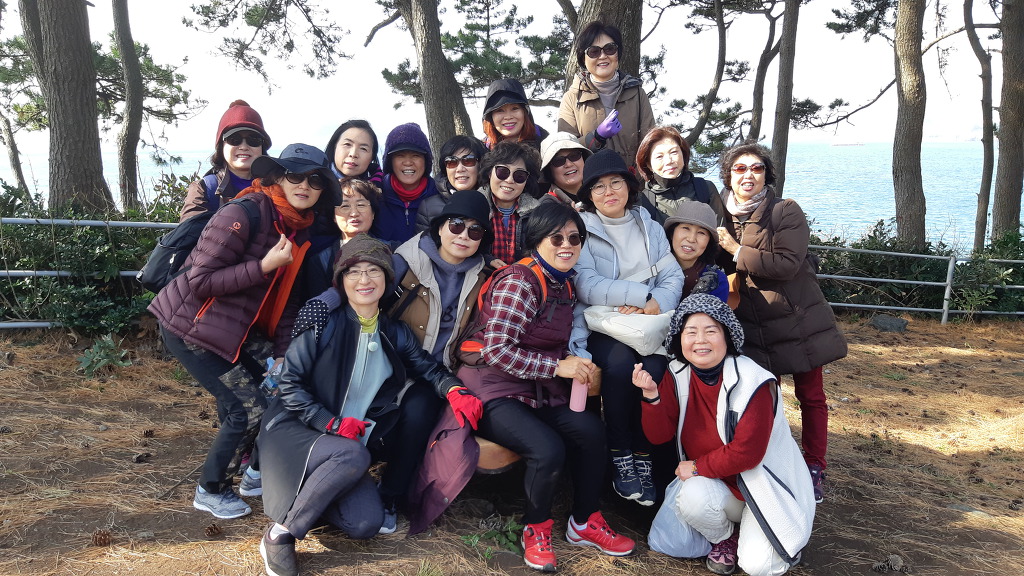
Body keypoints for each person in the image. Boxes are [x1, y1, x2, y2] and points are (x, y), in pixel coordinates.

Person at [409, 202, 636, 572]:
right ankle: (536, 528)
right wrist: (558, 366)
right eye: (556, 238)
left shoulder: (564, 282)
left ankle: (585, 521)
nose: (567, 245)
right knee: (546, 449)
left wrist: (574, 361)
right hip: (491, 387)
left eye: (574, 238)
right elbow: (497, 351)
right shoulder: (520, 281)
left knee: (591, 432)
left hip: (535, 387)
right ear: (536, 241)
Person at [256, 235, 480, 576]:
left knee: (365, 523)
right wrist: (330, 422)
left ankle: (313, 494)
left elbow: (427, 368)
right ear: (341, 280)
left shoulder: (394, 331)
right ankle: (280, 534)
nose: (364, 279)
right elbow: (289, 384)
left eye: (374, 271)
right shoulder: (322, 322)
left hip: (344, 444)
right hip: (299, 431)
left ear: (387, 279)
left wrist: (454, 390)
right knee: (354, 456)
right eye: (354, 272)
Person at [150, 143, 339, 520]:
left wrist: (282, 354)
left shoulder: (294, 228)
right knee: (246, 408)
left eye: (315, 180)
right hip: (191, 326)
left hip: (235, 328)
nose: (304, 185)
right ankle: (211, 489)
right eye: (295, 175)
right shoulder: (242, 212)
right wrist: (264, 265)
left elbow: (288, 301)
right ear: (277, 176)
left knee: (281, 390)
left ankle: (254, 475)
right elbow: (200, 282)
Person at [633, 293, 816, 576]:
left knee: (758, 565)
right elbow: (659, 436)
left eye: (711, 331)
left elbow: (747, 453)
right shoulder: (677, 372)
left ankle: (769, 532)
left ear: (727, 336)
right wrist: (651, 396)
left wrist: (696, 467)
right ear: (679, 339)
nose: (700, 340)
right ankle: (726, 537)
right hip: (718, 485)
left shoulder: (754, 380)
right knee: (692, 496)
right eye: (691, 332)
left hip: (763, 487)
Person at [714, 142, 848, 503]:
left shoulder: (784, 210)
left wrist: (737, 251)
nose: (748, 175)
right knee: (761, 399)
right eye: (740, 168)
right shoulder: (720, 214)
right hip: (750, 323)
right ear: (728, 175)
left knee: (811, 397)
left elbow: (788, 263)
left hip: (797, 317)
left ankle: (815, 465)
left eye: (756, 168)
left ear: (766, 175)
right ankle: (771, 460)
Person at [569, 148, 684, 507]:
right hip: (602, 324)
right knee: (620, 367)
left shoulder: (650, 227)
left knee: (653, 371)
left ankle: (643, 454)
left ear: (629, 186)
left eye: (615, 182)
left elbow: (673, 275)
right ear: (589, 194)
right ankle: (620, 453)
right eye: (598, 186)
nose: (608, 192)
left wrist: (654, 302)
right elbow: (585, 283)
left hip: (647, 323)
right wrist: (639, 294)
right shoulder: (582, 229)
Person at [558, 21, 654, 169]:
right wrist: (596, 137)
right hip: (589, 181)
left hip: (632, 179)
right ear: (583, 58)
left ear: (618, 53)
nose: (603, 56)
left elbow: (651, 141)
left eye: (610, 49)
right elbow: (565, 148)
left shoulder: (637, 94)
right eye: (594, 51)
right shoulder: (571, 98)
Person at [179, 99, 271, 221]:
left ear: (262, 147)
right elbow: (191, 230)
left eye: (253, 140)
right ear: (221, 146)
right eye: (234, 139)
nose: (244, 147)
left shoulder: (277, 186)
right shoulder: (204, 189)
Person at [302, 177, 382, 301]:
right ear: (334, 216)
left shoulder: (393, 251)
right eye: (345, 206)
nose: (354, 213)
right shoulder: (321, 261)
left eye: (361, 205)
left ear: (373, 214)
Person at [635, 125, 727, 226]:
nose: (668, 161)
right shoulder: (643, 201)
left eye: (674, 152)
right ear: (649, 165)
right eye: (659, 156)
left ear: (683, 154)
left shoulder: (705, 189)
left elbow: (720, 231)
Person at [371, 122, 440, 245]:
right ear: (390, 161)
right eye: (400, 155)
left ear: (426, 161)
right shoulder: (374, 195)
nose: (408, 162)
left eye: (416, 155)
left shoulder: (440, 196)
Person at [479, 141, 543, 266]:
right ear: (489, 172)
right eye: (502, 172)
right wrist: (487, 260)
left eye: (519, 175)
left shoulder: (536, 213)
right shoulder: (475, 207)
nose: (509, 180)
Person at [415, 134, 488, 232]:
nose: (460, 169)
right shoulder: (428, 208)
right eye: (451, 162)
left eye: (468, 161)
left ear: (481, 165)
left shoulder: (493, 202)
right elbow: (425, 241)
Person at [664, 201, 729, 302]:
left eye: (701, 233)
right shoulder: (652, 268)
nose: (691, 239)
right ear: (672, 233)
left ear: (709, 242)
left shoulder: (716, 280)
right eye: (686, 228)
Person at [482, 78, 549, 150]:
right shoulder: (482, 149)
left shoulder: (544, 141)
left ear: (525, 112)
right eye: (500, 110)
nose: (508, 117)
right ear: (490, 116)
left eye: (514, 109)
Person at [539, 131, 592, 209]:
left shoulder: (603, 192)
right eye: (558, 161)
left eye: (574, 156)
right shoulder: (546, 208)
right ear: (548, 170)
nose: (569, 164)